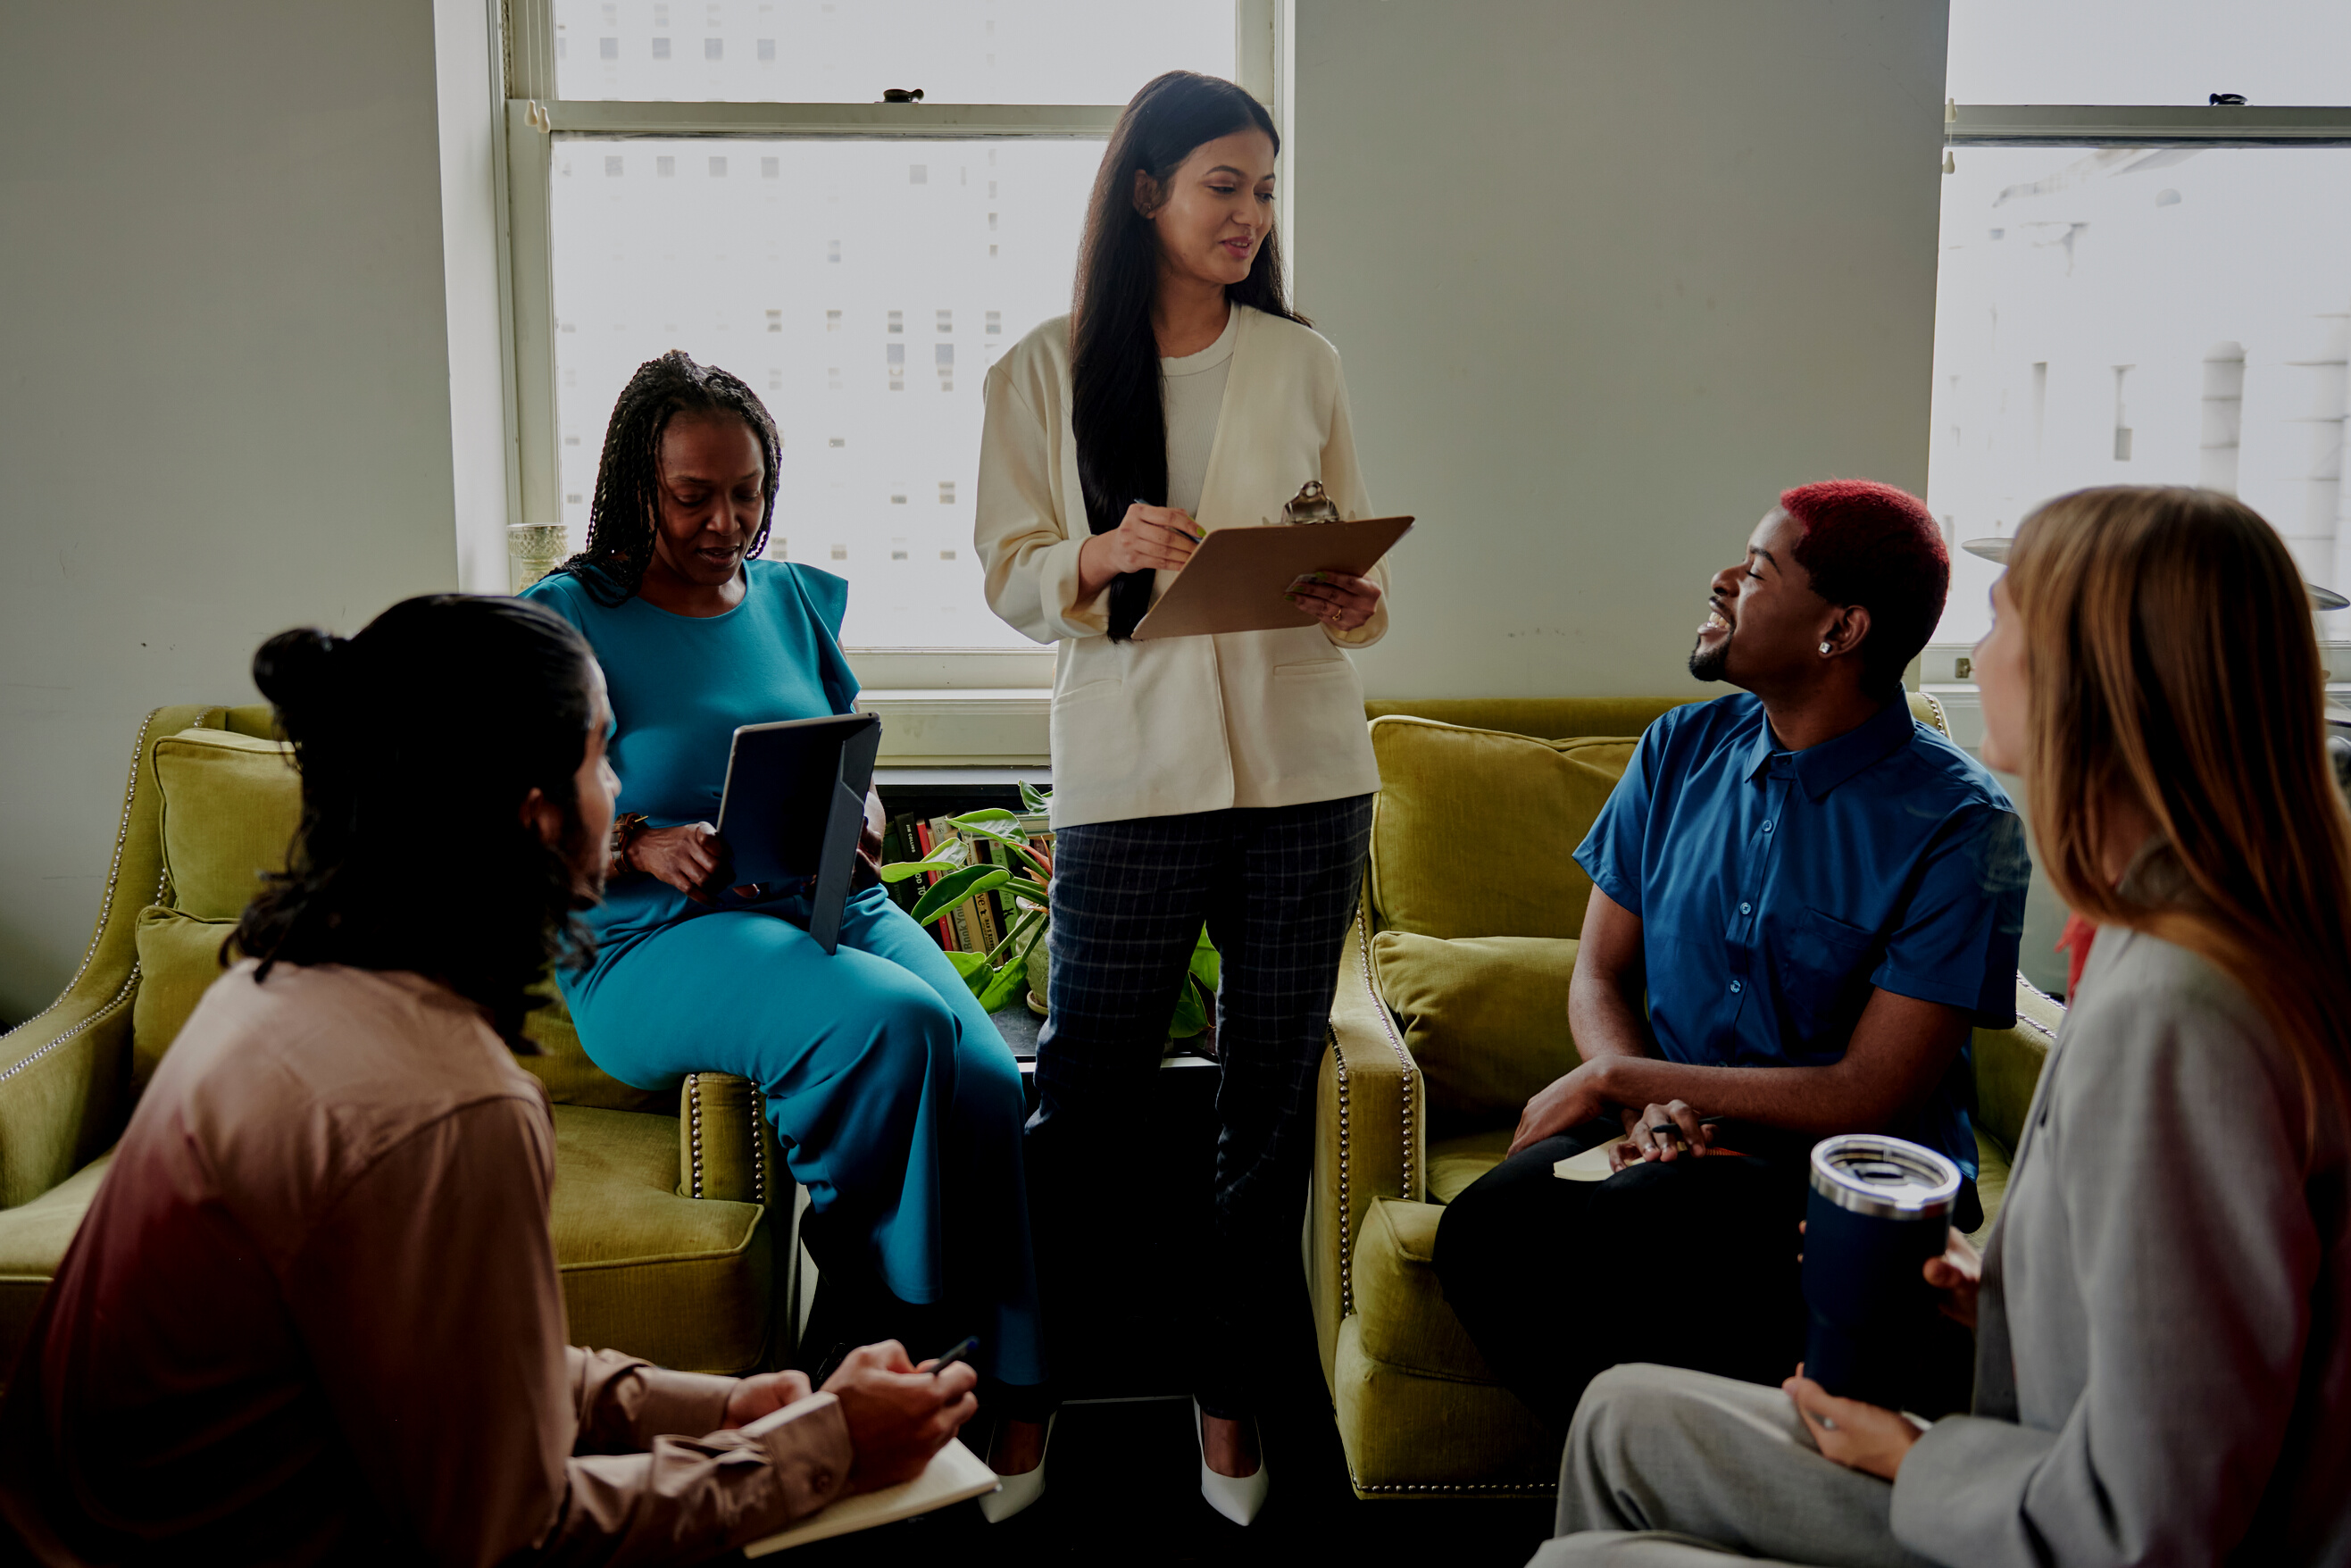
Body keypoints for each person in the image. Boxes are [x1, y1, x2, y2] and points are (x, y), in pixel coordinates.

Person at [0, 596, 977, 1565]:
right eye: (603, 755)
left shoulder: (278, 975)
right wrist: (823, 1445)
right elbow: (510, 1532)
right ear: (535, 817)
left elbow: (449, 1366)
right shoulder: (452, 1110)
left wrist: (721, 1405)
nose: (620, 784)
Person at [1535, 485, 2351, 1566]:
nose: (1974, 650)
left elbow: (2153, 1521)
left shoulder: (2176, 1015)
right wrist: (2000, 1298)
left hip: (2060, 1514)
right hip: (2042, 1464)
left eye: (2004, 618)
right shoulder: (2149, 939)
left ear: (2099, 678)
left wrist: (1912, 1458)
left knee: (1580, 1560)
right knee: (1616, 1416)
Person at [521, 351, 1050, 1514]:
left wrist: (858, 812)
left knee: (989, 1085)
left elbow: (852, 752)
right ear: (634, 487)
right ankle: (894, 1342)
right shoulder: (565, 622)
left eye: (747, 490)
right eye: (691, 495)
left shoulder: (794, 598)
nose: (726, 521)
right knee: (899, 1023)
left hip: (825, 901)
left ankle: (1015, 1387)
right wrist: (634, 843)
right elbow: (512, 818)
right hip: (655, 938)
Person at [973, 70, 1388, 1523]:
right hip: (1132, 773)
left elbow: (1351, 581)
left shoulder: (1303, 361)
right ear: (1144, 191)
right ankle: (1026, 1386)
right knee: (1081, 1098)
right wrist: (1097, 554)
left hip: (1303, 769)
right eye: (1223, 184)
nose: (1249, 214)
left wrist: (1349, 595)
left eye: (1264, 189)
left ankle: (1228, 1381)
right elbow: (1012, 573)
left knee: (1265, 1102)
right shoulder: (1041, 366)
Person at [1432, 480, 2027, 1431]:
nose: (1720, 581)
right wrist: (1642, 1097)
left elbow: (1873, 1087)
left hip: (1837, 1169)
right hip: (1661, 1128)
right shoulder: (1676, 748)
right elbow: (1599, 972)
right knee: (1487, 1230)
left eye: (1755, 571)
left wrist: (1630, 1076)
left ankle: (1696, 1488)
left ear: (1839, 630)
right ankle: (1648, 1478)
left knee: (1642, 1229)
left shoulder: (1960, 824)